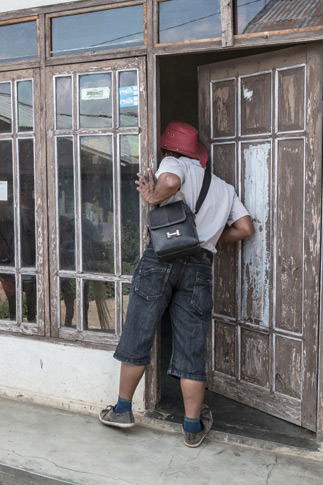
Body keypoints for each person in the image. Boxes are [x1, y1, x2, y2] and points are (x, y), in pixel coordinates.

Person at [98, 120, 254, 448]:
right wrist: (208, 237)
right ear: (198, 154)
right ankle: (193, 427)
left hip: (161, 257)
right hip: (199, 264)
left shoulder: (173, 163)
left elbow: (170, 180)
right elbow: (245, 228)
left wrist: (155, 192)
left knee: (139, 332)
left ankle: (123, 410)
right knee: (191, 346)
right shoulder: (225, 189)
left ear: (170, 148)